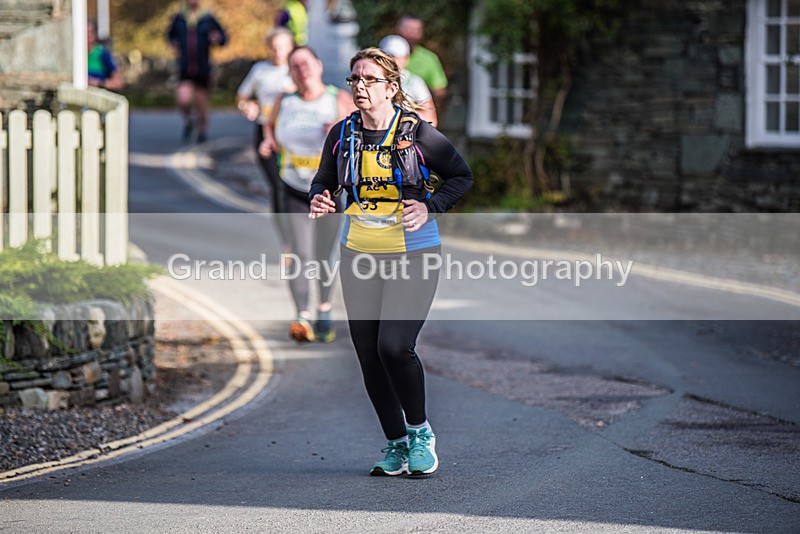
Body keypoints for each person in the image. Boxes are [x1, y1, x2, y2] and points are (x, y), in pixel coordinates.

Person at [308, 48, 473, 476]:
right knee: (368, 354)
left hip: (413, 252)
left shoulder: (417, 133)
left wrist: (431, 207)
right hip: (359, 253)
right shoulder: (342, 134)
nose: (359, 87)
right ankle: (396, 445)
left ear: (391, 88)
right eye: (354, 80)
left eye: (369, 80)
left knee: (393, 346)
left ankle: (420, 433)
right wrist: (320, 198)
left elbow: (461, 176)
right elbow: (323, 180)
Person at [259, 46, 355, 343]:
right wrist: (268, 143)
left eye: (307, 64)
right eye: (296, 66)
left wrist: (339, 133)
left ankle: (323, 309)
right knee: (299, 253)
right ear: (291, 73)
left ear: (319, 65)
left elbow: (362, 135)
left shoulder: (337, 100)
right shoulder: (283, 102)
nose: (303, 70)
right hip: (293, 189)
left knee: (323, 255)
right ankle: (301, 317)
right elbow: (269, 127)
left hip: (328, 191)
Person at [236, 27, 296, 242]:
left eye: (282, 47)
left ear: (291, 47)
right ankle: (287, 238)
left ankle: (303, 232)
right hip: (265, 132)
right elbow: (242, 96)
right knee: (277, 185)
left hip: (293, 135)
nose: (278, 52)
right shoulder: (260, 70)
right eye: (273, 48)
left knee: (296, 184)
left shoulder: (298, 68)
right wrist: (247, 106)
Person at [167, 0, 227, 143]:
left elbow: (223, 38)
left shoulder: (208, 18)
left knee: (201, 102)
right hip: (185, 66)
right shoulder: (179, 18)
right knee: (183, 98)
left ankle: (202, 131)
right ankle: (190, 120)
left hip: (202, 67)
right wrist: (174, 42)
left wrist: (217, 38)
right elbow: (170, 36)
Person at [378, 35, 437, 127]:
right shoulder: (370, 81)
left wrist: (405, 116)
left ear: (406, 59)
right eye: (388, 56)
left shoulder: (415, 82)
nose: (392, 61)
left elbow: (431, 119)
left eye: (397, 57)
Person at [397, 15, 448, 103]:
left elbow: (439, 91)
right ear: (398, 30)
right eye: (408, 30)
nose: (412, 34)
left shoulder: (429, 59)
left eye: (416, 31)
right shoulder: (382, 55)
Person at [87, 19, 124, 91]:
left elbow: (118, 83)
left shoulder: (102, 54)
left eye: (89, 34)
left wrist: (98, 83)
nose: (86, 38)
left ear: (95, 35)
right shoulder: (72, 56)